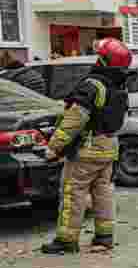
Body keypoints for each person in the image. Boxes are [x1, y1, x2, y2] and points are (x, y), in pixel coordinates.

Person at [40, 38, 132, 254]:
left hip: (87, 149)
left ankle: (66, 240)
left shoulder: (92, 85)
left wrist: (54, 147)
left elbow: (74, 120)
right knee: (103, 193)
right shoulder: (118, 86)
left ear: (103, 60)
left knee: (74, 192)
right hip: (109, 147)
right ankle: (104, 237)